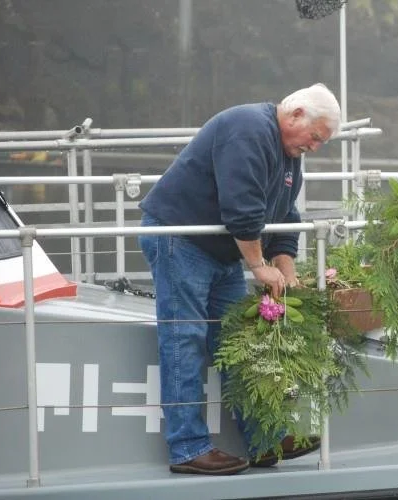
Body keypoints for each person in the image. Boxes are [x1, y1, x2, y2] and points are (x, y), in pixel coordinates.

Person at [137, 83, 341, 475]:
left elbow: (285, 215)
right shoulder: (249, 129)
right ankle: (187, 448)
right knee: (184, 338)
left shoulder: (288, 152)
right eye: (315, 137)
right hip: (180, 238)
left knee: (241, 342)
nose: (315, 147)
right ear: (296, 114)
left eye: (321, 142)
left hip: (224, 249)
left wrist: (287, 270)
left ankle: (265, 440)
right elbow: (242, 210)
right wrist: (259, 266)